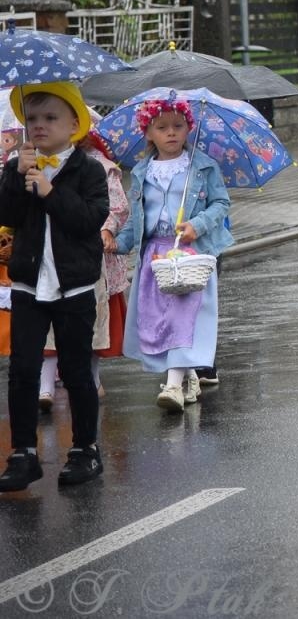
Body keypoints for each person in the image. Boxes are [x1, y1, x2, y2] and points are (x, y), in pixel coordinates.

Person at [0, 84, 110, 491]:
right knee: (23, 369)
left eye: (50, 119)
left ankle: (85, 449)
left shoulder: (90, 170)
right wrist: (16, 177)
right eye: (32, 119)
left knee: (77, 369)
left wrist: (49, 191)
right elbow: (7, 215)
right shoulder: (18, 165)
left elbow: (87, 222)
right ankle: (23, 453)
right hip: (29, 281)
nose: (40, 126)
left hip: (73, 285)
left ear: (74, 125)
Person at [116, 96, 232, 413]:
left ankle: (172, 385)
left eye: (178, 126)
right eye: (162, 127)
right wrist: (117, 242)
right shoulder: (142, 172)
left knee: (184, 317)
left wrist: (198, 224)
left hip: (189, 254)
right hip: (155, 256)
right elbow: (134, 217)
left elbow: (221, 204)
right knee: (162, 321)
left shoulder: (203, 165)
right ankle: (189, 376)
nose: (171, 133)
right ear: (148, 132)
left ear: (188, 130)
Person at [40, 129, 131, 406]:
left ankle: (92, 379)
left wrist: (107, 229)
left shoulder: (99, 166)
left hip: (90, 258)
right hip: (49, 257)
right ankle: (45, 385)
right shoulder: (37, 164)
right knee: (47, 322)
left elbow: (116, 206)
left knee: (91, 320)